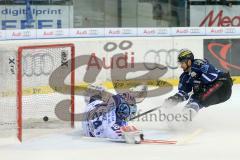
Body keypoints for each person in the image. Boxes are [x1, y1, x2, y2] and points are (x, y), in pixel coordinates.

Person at [164, 49, 233, 115]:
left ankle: (187, 115)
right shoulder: (185, 77)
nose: (181, 66)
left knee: (198, 98)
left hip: (223, 86)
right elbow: (184, 92)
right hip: (214, 93)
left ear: (189, 62)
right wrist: (175, 99)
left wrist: (199, 80)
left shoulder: (199, 64)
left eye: (182, 63)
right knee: (193, 101)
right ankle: (183, 119)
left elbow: (213, 75)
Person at [82, 85, 147, 143]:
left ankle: (95, 93)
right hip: (88, 122)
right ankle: (95, 93)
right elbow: (124, 135)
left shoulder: (112, 111)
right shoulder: (114, 124)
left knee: (102, 99)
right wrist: (135, 135)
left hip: (89, 114)